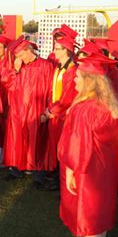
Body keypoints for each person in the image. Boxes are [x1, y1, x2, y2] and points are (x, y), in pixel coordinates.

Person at [57, 54, 118, 237]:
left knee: (90, 219)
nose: (74, 79)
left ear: (89, 81)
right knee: (100, 217)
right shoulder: (109, 104)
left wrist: (71, 171)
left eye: (78, 76)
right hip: (105, 171)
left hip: (88, 172)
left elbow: (79, 144)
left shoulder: (85, 108)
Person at [1, 36, 54, 187]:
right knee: (16, 139)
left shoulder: (45, 66)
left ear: (29, 51)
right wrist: (15, 71)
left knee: (36, 140)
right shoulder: (17, 67)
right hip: (18, 109)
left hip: (36, 109)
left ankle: (38, 174)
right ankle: (15, 169)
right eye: (17, 56)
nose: (19, 58)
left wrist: (47, 109)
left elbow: (51, 90)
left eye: (21, 55)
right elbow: (7, 85)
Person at [43, 35, 77, 191]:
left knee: (63, 150)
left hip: (64, 117)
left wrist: (51, 110)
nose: (53, 51)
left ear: (67, 50)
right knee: (56, 148)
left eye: (57, 49)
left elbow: (67, 98)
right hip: (55, 116)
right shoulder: (59, 68)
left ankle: (62, 183)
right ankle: (56, 179)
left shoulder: (72, 71)